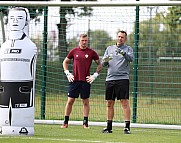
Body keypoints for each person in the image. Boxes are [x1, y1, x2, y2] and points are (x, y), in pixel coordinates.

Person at [61, 34, 102, 129]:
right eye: (82, 40)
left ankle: (85, 123)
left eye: (86, 40)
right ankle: (65, 122)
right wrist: (67, 73)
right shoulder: (74, 51)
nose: (84, 42)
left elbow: (99, 65)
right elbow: (65, 62)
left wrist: (94, 75)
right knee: (70, 100)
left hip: (86, 81)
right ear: (79, 41)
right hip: (74, 80)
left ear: (87, 41)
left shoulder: (92, 52)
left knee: (85, 102)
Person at [101, 30, 133, 134]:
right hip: (110, 79)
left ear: (125, 39)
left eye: (122, 37)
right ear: (116, 37)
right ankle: (109, 127)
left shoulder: (128, 49)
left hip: (122, 79)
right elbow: (103, 63)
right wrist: (106, 60)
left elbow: (131, 59)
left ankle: (127, 127)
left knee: (124, 102)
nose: (120, 38)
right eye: (119, 36)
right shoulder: (109, 48)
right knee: (109, 103)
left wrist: (123, 53)